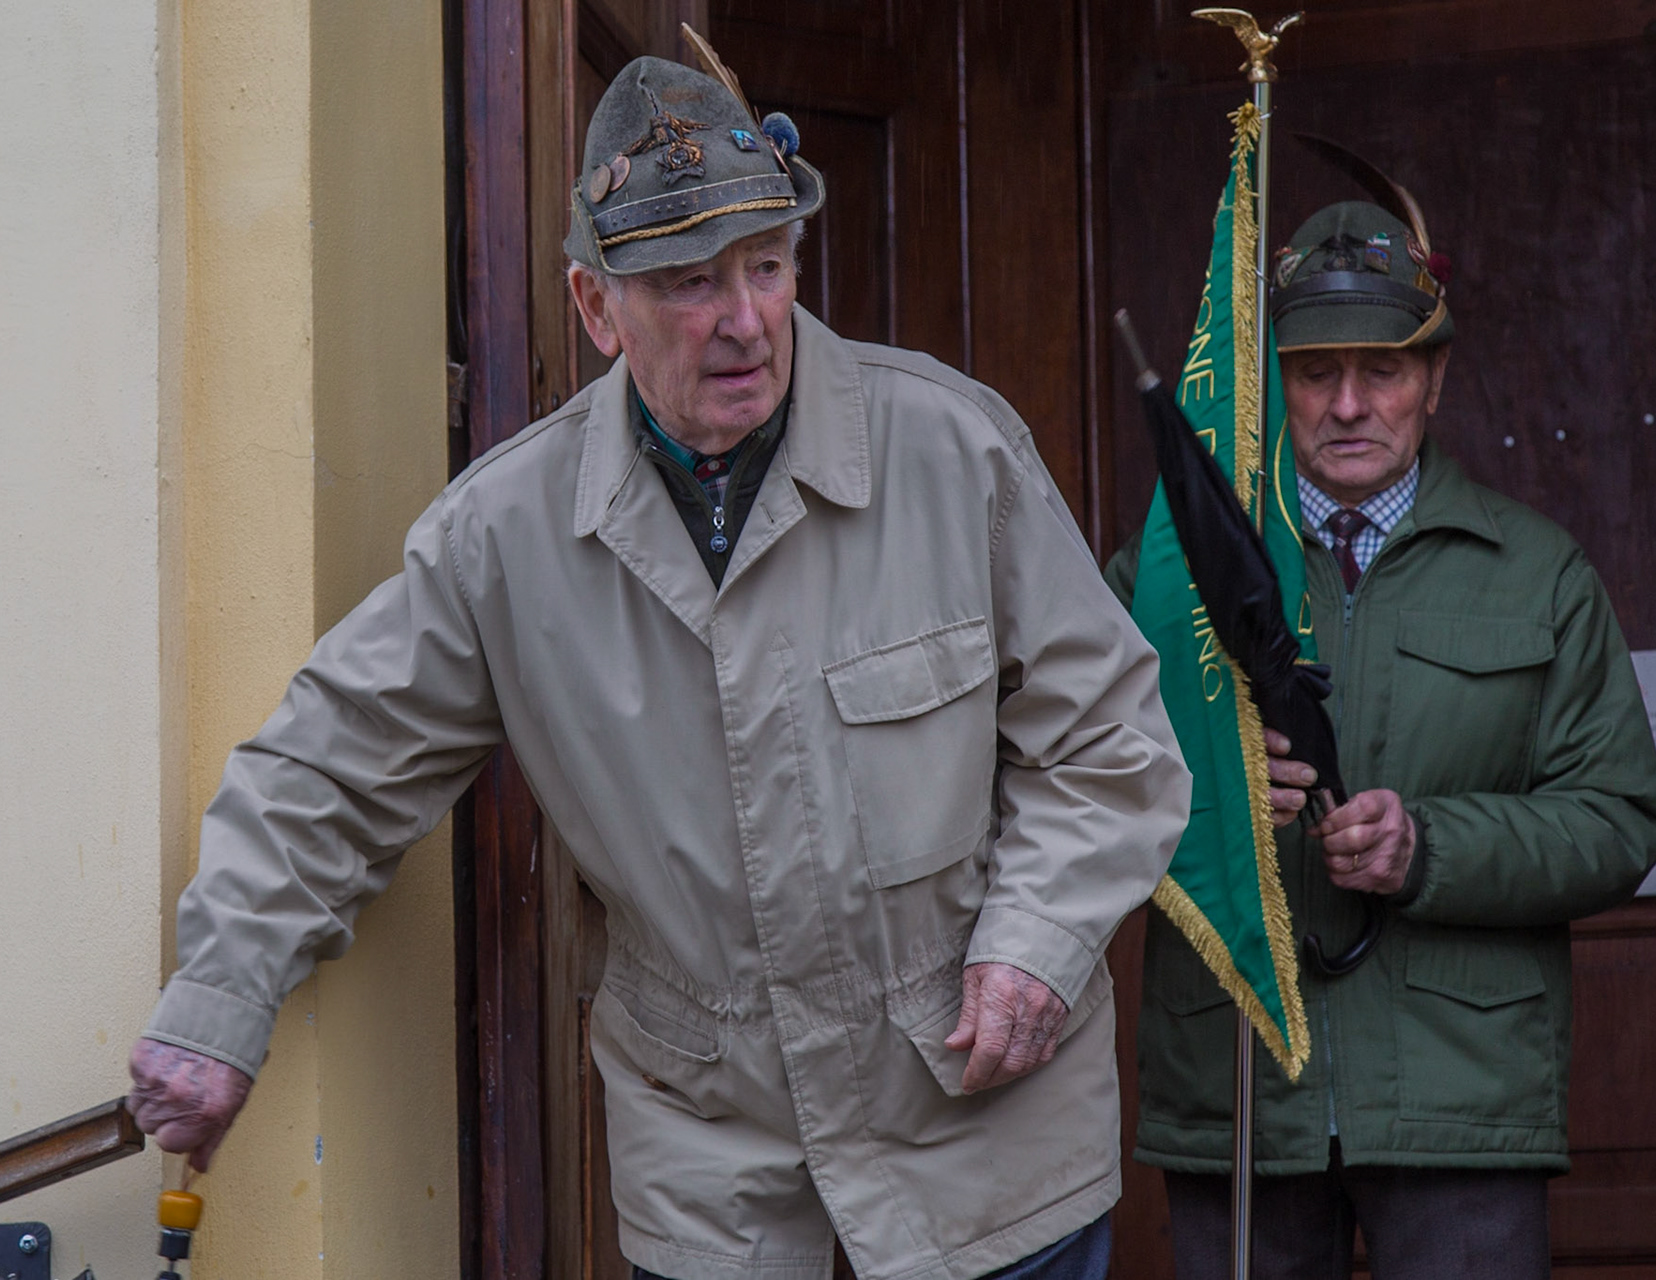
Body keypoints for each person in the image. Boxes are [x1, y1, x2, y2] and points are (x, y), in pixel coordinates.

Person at [127, 51, 1192, 1280]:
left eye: (768, 265)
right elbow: (326, 771)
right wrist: (218, 1001)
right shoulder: (504, 537)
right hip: (716, 1174)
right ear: (595, 308)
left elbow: (1111, 740)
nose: (745, 318)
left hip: (985, 1137)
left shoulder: (956, 449)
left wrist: (1037, 940)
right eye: (689, 282)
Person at [1105, 199, 1656, 1277]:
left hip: (1460, 1098)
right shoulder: (1167, 576)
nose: (1351, 403)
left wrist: (1430, 846)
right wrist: (1206, 794)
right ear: (1272, 381)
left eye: (1387, 369)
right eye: (1316, 372)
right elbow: (1074, 781)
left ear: (1437, 378)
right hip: (1240, 1080)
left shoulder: (1538, 570)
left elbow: (1620, 817)